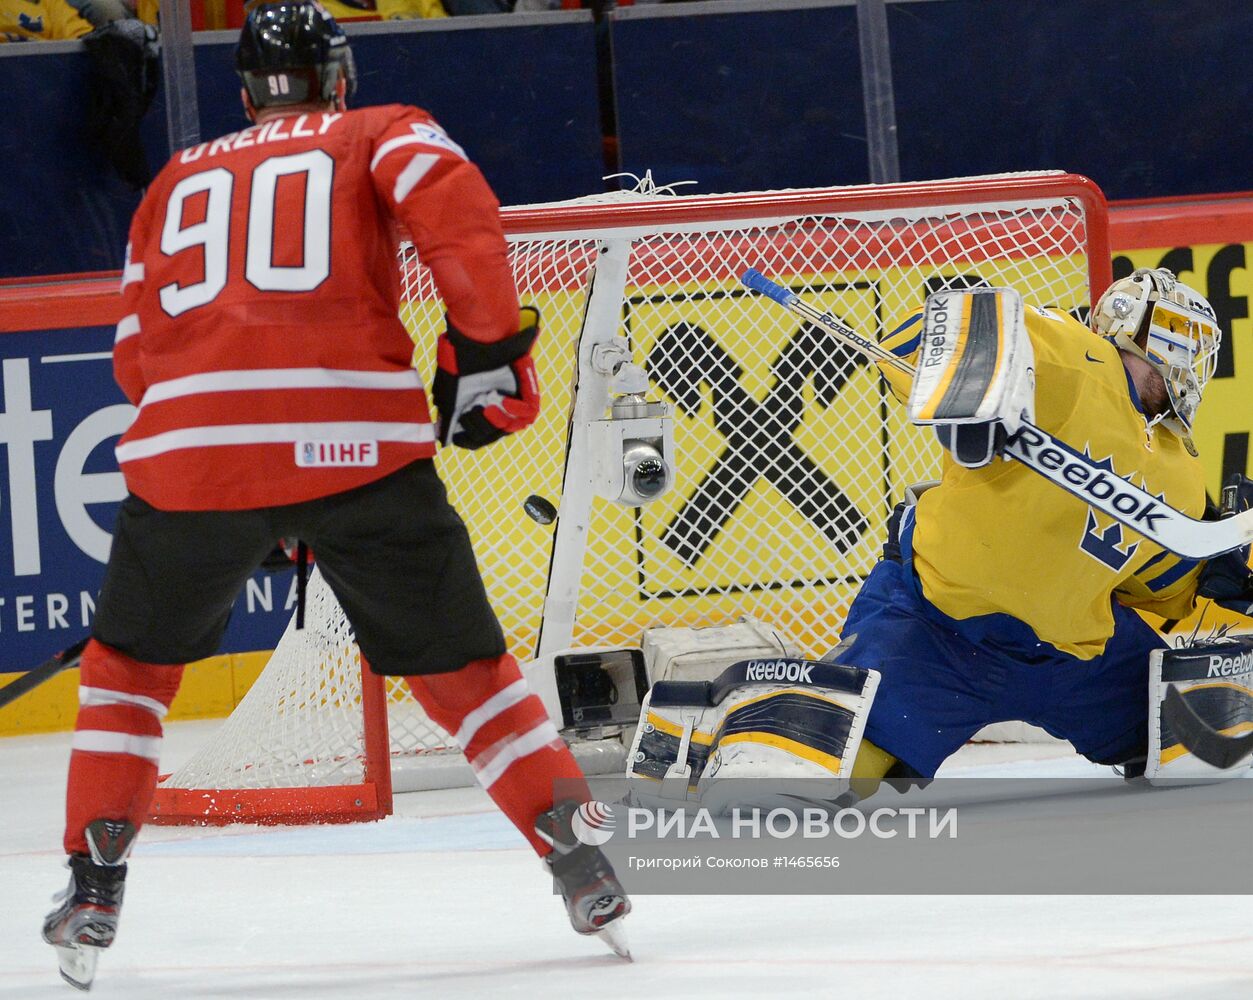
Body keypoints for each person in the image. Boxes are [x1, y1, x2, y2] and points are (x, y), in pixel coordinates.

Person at [41, 2, 628, 989]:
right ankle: (577, 855)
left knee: (128, 675)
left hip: (192, 461)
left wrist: (241, 487)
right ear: (340, 76)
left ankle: (93, 883)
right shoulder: (384, 129)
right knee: (466, 671)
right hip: (357, 448)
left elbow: (135, 359)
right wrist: (484, 354)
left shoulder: (176, 176)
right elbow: (459, 218)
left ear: (240, 92)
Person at [824, 267, 1244, 790]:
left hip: (1073, 663)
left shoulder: (1181, 472)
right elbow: (916, 337)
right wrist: (973, 359)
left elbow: (1161, 580)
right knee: (816, 764)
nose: (1189, 363)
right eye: (1180, 339)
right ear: (1128, 325)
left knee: (1201, 743)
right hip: (937, 635)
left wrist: (1221, 572)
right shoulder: (1070, 353)